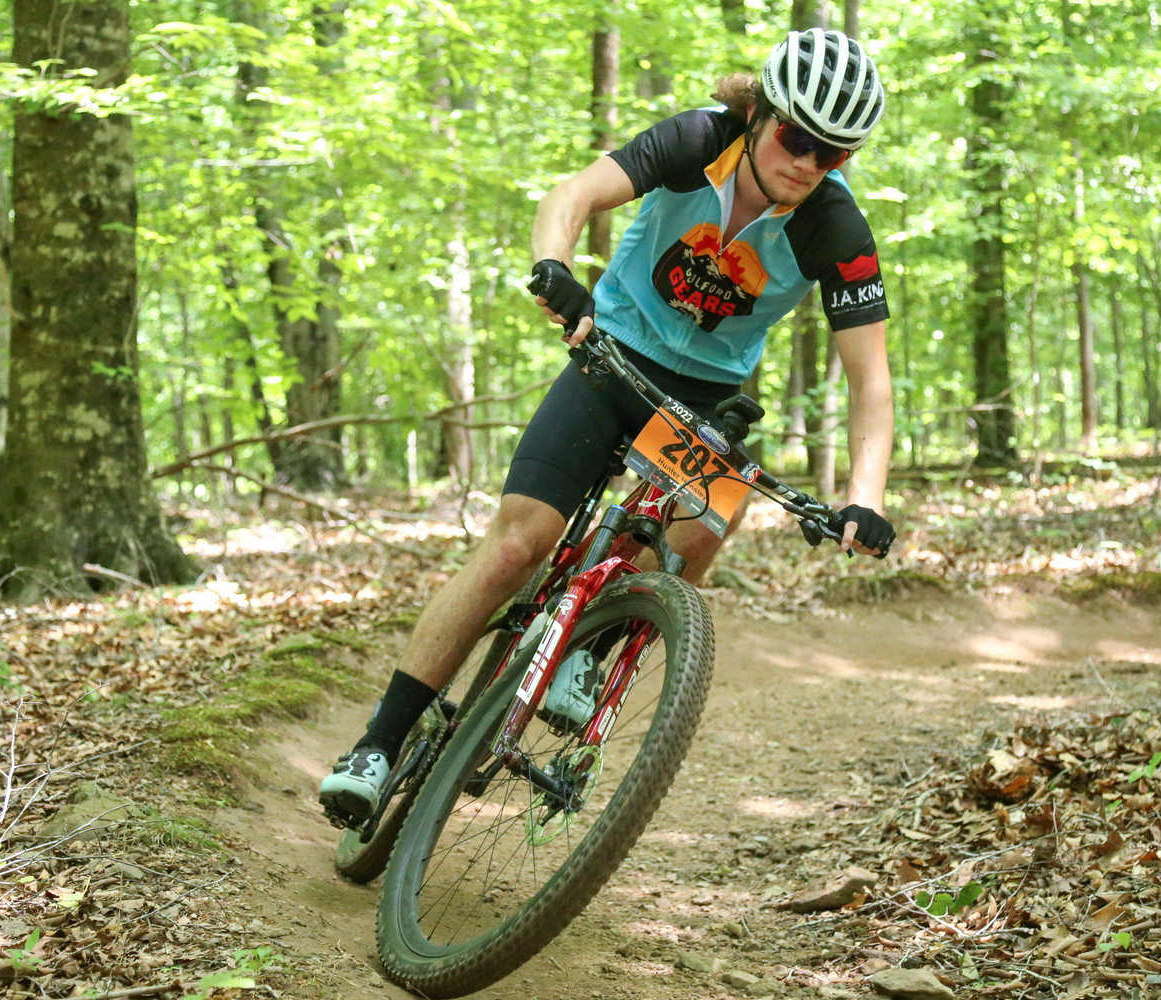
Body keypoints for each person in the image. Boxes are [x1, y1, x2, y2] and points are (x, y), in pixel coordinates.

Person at [319, 28, 897, 828]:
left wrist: (866, 498)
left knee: (706, 522)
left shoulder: (836, 228)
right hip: (611, 356)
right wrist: (555, 266)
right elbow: (570, 196)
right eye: (797, 138)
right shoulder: (697, 140)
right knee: (516, 546)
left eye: (830, 154)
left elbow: (871, 380)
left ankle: (587, 653)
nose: (807, 162)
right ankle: (377, 745)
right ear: (760, 114)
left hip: (705, 397)